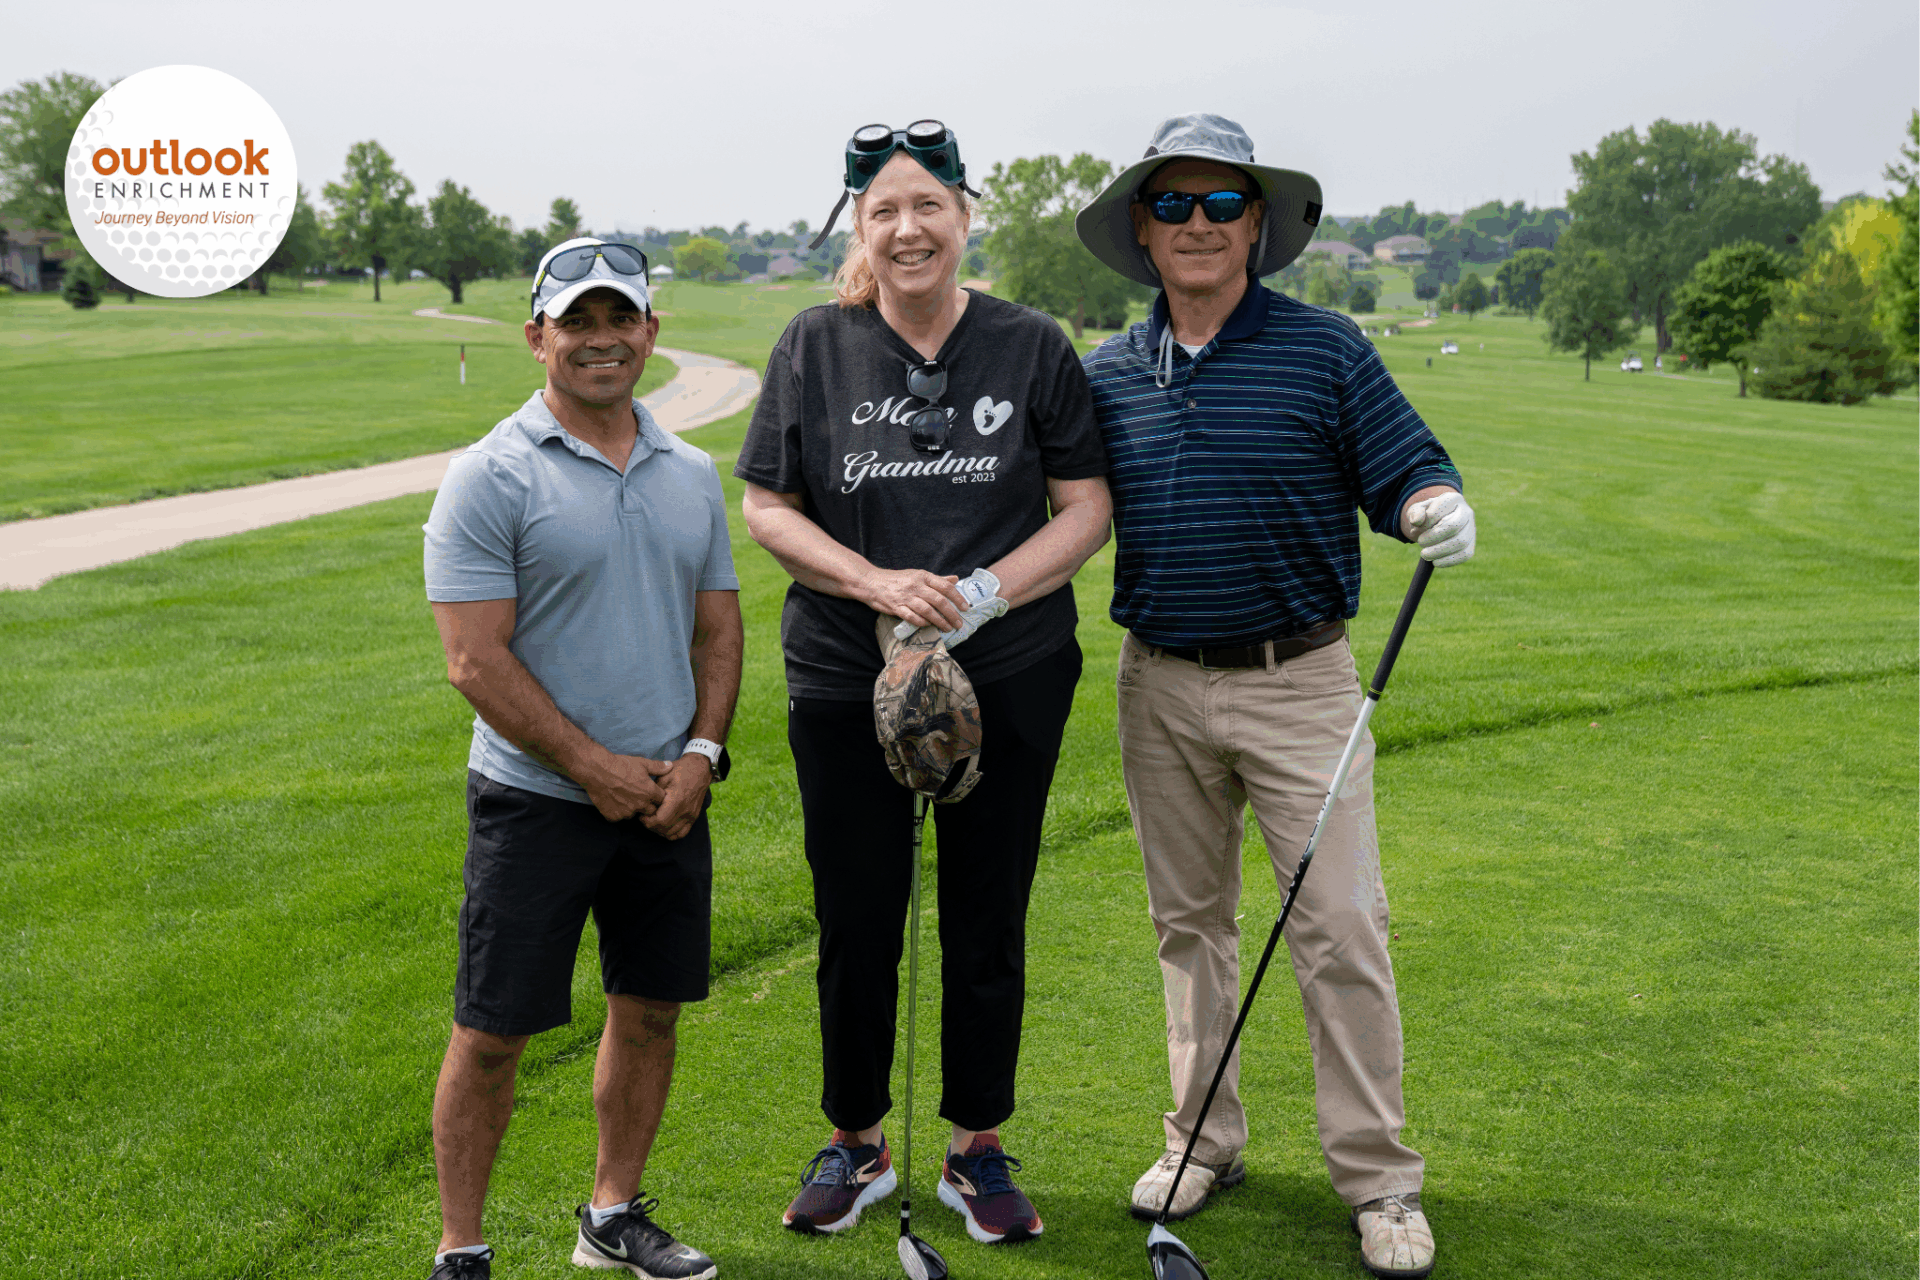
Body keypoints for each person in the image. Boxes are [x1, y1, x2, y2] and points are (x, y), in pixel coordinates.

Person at [1076, 115, 1477, 1279]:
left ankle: (1381, 1177)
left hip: (1302, 679)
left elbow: (1410, 468)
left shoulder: (1327, 349)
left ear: (1257, 223)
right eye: (1173, 205)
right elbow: (1054, 509)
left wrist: (1430, 508)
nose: (1197, 224)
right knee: (1189, 927)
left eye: (1220, 204)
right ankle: (1202, 1141)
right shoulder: (1107, 372)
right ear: (1143, 233)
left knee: (1342, 923)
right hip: (1157, 682)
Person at [735, 120, 1112, 1246]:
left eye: (928, 206)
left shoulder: (1031, 343)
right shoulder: (814, 343)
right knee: (857, 909)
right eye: (885, 211)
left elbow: (1087, 506)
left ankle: (976, 1148)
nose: (909, 229)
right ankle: (855, 1140)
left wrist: (981, 594)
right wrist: (879, 585)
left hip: (1010, 665)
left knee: (987, 912)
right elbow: (767, 505)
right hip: (847, 668)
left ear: (964, 213)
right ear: (861, 226)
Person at [420, 238, 743, 1280]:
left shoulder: (690, 470)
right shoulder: (489, 474)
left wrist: (700, 751)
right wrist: (591, 762)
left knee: (649, 1011)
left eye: (621, 319)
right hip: (535, 801)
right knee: (494, 1029)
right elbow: (474, 659)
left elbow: (719, 629)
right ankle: (461, 1246)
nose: (601, 339)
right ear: (538, 336)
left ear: (649, 332)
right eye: (578, 321)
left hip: (666, 798)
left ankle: (612, 1214)